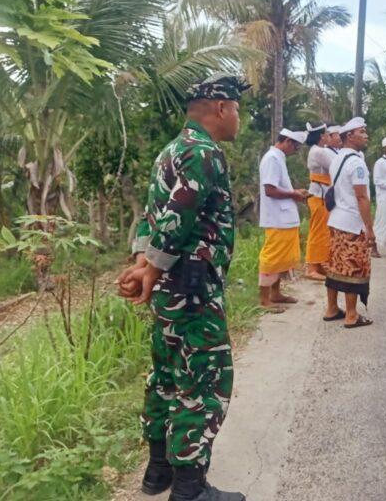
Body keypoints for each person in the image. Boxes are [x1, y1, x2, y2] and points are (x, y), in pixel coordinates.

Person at [116, 74, 248, 501]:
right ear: (221, 109)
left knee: (167, 375)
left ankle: (158, 471)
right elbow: (177, 215)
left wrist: (144, 264)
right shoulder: (204, 153)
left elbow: (151, 214)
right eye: (237, 109)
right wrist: (151, 269)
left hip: (169, 291)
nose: (239, 117)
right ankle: (190, 488)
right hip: (192, 291)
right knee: (203, 380)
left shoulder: (172, 150)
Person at [325, 117, 375, 328]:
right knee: (353, 268)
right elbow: (361, 197)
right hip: (352, 223)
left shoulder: (337, 158)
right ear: (349, 136)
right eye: (361, 132)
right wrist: (369, 228)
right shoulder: (356, 162)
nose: (366, 135)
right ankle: (352, 315)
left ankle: (332, 308)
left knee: (336, 265)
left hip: (336, 219)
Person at [258, 128, 309, 311]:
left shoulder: (278, 158)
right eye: (295, 147)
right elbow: (270, 190)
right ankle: (264, 300)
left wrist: (294, 192)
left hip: (284, 217)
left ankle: (275, 293)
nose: (295, 151)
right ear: (287, 141)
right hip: (276, 218)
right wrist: (294, 194)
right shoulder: (272, 158)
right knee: (272, 258)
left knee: (282, 259)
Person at [304, 123, 335, 280]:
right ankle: (311, 267)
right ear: (322, 136)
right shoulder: (319, 152)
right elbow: (336, 165)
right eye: (327, 133)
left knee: (324, 231)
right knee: (317, 231)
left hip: (322, 195)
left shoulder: (320, 150)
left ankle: (320, 262)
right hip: (318, 196)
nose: (329, 136)